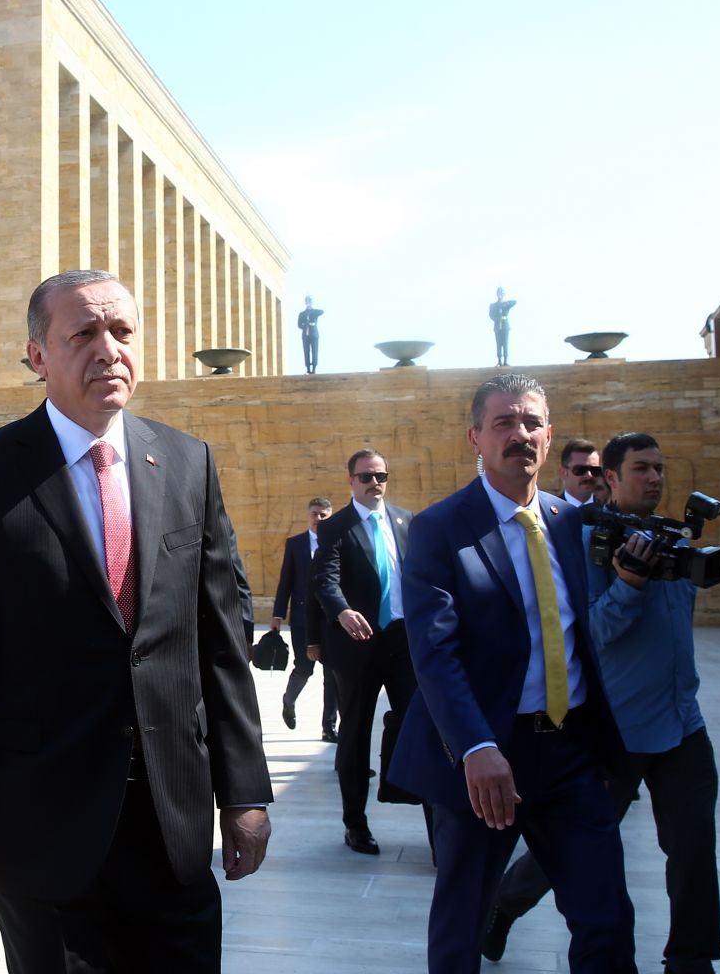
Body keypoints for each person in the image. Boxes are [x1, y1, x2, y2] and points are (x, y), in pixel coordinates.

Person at [0, 270, 272, 972]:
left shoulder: (187, 462)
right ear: (38, 356)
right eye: (84, 334)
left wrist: (246, 791)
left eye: (122, 331)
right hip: (41, 830)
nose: (109, 349)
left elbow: (220, 643)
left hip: (172, 821)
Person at [388, 373, 635, 974]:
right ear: (475, 437)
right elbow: (435, 652)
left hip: (572, 753)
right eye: (503, 422)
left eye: (531, 422)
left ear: (548, 437)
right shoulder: (441, 529)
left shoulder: (571, 525)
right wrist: (476, 747)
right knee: (462, 925)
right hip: (487, 760)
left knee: (606, 917)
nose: (518, 434)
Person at [485, 432, 720, 972]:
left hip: (683, 723)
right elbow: (588, 632)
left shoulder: (674, 536)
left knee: (693, 850)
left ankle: (692, 958)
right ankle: (503, 904)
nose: (655, 478)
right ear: (610, 477)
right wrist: (629, 582)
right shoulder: (588, 541)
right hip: (616, 730)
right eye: (642, 468)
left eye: (659, 468)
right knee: (574, 850)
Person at [309, 449, 421, 856]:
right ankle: (355, 824)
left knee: (419, 725)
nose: (376, 483)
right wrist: (341, 611)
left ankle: (435, 824)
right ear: (351, 481)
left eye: (381, 476)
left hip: (404, 642)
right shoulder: (336, 526)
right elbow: (324, 578)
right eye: (367, 477)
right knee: (355, 733)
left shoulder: (406, 521)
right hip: (357, 646)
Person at [271, 496, 338, 742]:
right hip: (302, 619)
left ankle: (328, 727)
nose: (318, 519)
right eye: (314, 514)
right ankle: (288, 701)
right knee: (304, 667)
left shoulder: (339, 542)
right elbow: (285, 581)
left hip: (332, 619)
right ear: (307, 515)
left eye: (323, 515)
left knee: (332, 673)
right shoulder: (296, 544)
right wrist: (277, 614)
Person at [556, 438, 602, 507]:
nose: (589, 475)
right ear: (563, 473)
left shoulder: (608, 513)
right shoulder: (549, 513)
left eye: (594, 470)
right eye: (580, 470)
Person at [490, 287, 517, 367]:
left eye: (502, 293)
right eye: (499, 293)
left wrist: (505, 303)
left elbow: (514, 302)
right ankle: (499, 361)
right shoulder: (493, 305)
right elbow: (491, 315)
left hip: (505, 326)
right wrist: (497, 319)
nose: (500, 295)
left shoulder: (506, 304)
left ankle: (505, 361)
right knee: (498, 344)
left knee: (505, 344)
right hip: (497, 326)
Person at [298, 296, 323, 374]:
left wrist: (311, 310)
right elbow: (299, 325)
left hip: (314, 334)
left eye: (310, 301)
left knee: (314, 351)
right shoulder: (302, 314)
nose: (309, 303)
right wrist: (305, 325)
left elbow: (322, 311)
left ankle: (314, 368)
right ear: (305, 303)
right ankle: (308, 368)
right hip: (306, 334)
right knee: (306, 351)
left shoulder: (315, 312)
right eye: (307, 301)